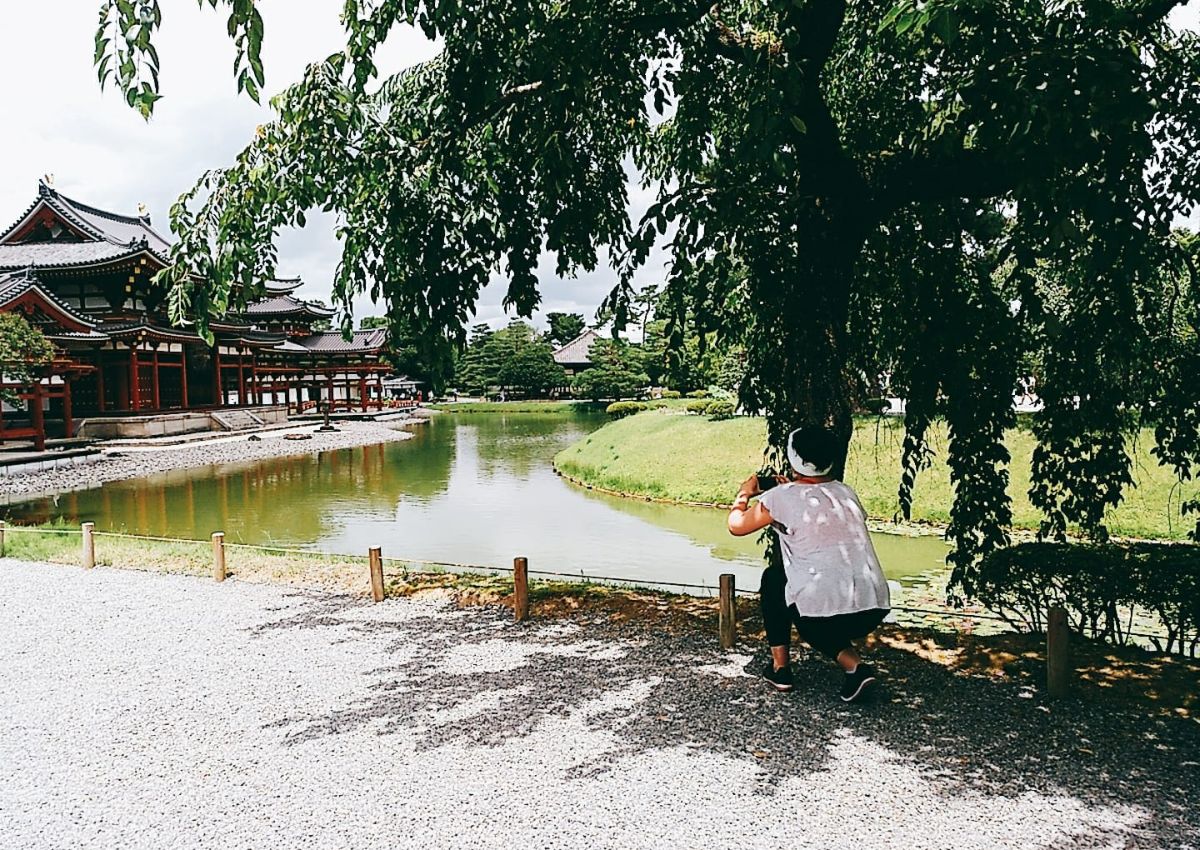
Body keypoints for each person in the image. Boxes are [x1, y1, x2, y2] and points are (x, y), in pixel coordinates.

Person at [727, 425, 891, 703]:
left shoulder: (780, 497)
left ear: (792, 459)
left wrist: (744, 494)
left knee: (775, 582)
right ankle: (856, 669)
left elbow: (736, 526)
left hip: (822, 613)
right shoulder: (846, 493)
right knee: (814, 603)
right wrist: (789, 490)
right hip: (873, 607)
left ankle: (781, 670)